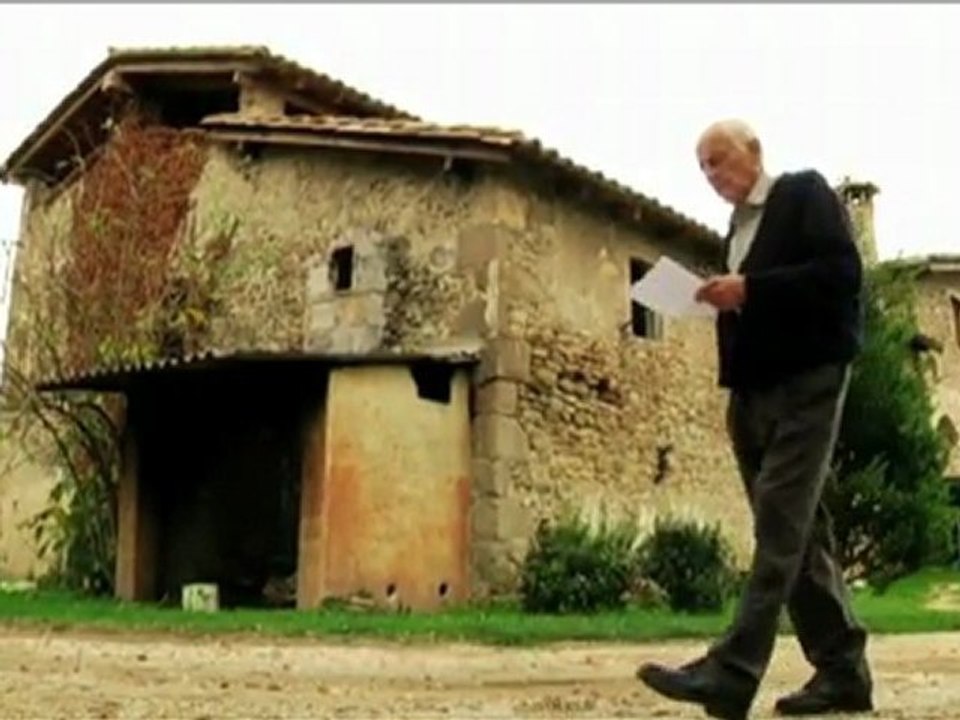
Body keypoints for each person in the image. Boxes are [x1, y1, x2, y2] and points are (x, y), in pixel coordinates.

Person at [636, 119, 873, 720]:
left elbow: (842, 275)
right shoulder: (735, 232)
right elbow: (753, 300)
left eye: (719, 160)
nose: (713, 176)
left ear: (754, 153)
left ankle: (733, 669)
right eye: (704, 168)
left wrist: (749, 291)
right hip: (752, 393)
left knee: (779, 524)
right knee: (799, 529)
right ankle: (843, 671)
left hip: (809, 380)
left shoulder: (800, 194)